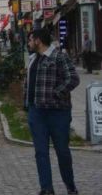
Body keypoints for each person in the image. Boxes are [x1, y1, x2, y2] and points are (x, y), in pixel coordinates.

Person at [24, 29, 80, 195]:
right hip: (36, 112)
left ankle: (70, 186)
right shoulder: (33, 59)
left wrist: (55, 93)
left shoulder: (59, 57)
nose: (29, 43)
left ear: (38, 41)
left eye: (30, 40)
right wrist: (27, 104)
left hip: (57, 113)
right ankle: (47, 189)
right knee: (41, 152)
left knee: (62, 151)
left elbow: (73, 79)